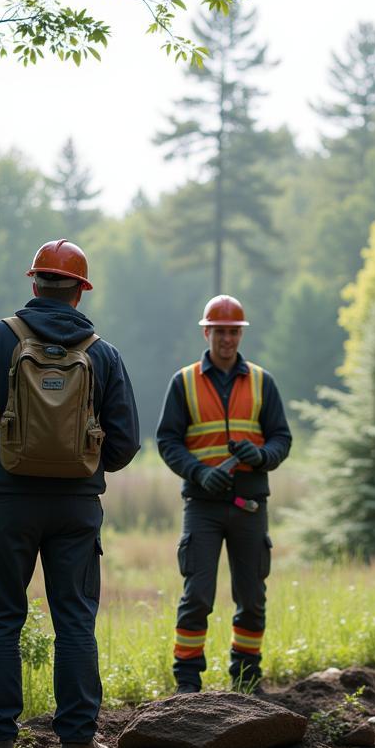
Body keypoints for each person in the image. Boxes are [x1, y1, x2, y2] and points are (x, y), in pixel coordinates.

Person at [0, 239, 140, 748]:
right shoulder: (103, 353)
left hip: (9, 502)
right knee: (75, 618)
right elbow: (126, 444)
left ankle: (0, 743)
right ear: (79, 290)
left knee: (1, 620)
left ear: (34, 284)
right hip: (76, 509)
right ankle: (77, 742)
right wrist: (86, 459)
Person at [156, 295, 292, 694]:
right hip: (203, 505)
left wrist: (262, 455)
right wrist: (198, 472)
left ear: (241, 334)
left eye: (234, 332)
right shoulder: (184, 382)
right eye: (220, 331)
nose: (228, 339)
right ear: (207, 332)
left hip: (250, 505)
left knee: (251, 596)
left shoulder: (263, 382)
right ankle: (186, 683)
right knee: (197, 594)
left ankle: (247, 679)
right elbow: (168, 441)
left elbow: (282, 438)